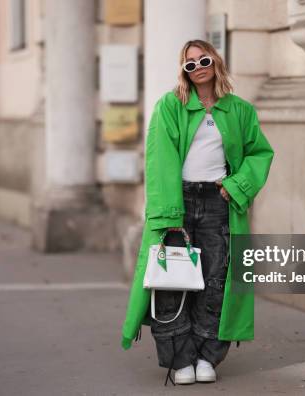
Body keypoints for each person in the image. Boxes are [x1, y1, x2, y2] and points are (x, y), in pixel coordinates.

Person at [120, 39, 274, 386]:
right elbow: (159, 161)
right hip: (179, 201)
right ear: (184, 71)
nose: (197, 67)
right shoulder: (169, 106)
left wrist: (235, 187)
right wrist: (167, 214)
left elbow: (259, 153)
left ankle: (207, 355)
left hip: (219, 201)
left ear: (215, 60)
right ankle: (181, 359)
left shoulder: (239, 110)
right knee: (171, 282)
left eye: (202, 59)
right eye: (189, 64)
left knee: (216, 281)